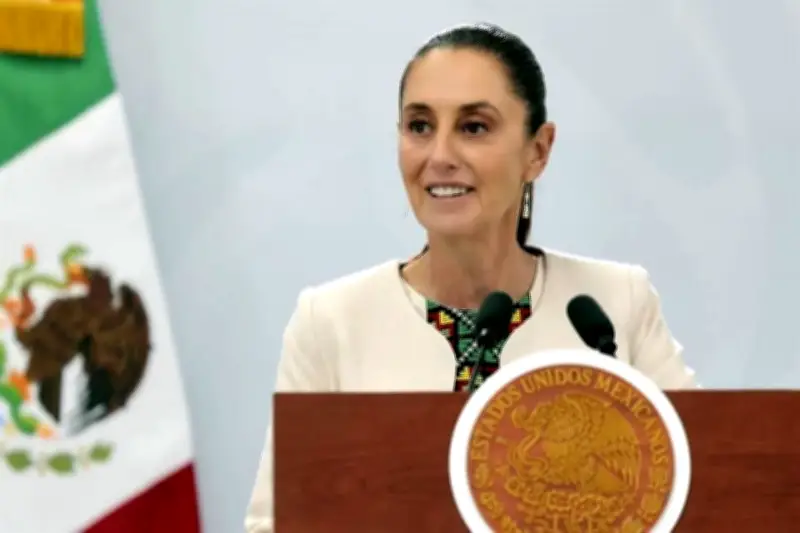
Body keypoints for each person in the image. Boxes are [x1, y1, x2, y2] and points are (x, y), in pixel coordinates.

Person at [244, 22, 697, 532]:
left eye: (474, 127)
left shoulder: (613, 307)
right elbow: (272, 525)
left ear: (538, 151)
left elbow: (713, 490)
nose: (439, 156)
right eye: (419, 126)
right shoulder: (331, 322)